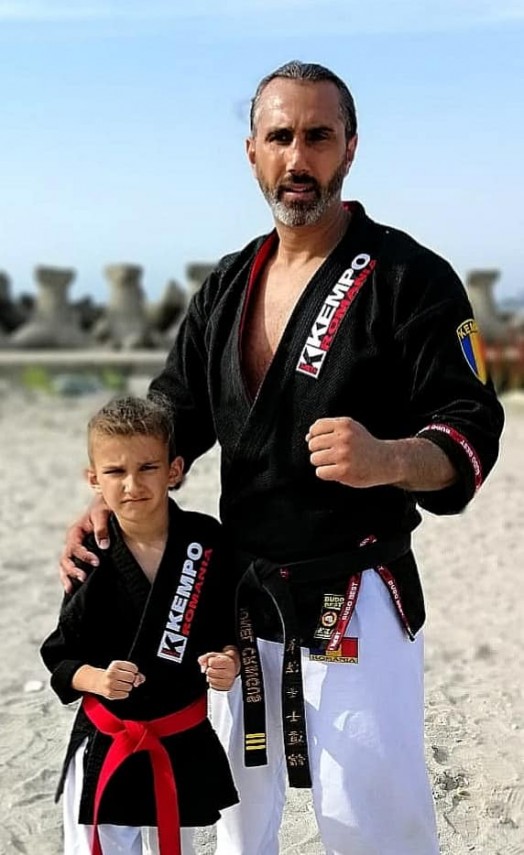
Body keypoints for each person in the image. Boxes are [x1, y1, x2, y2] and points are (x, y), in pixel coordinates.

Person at [60, 61, 505, 855]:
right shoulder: (228, 285)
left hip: (354, 596)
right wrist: (112, 504)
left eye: (318, 136)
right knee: (236, 826)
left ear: (350, 147)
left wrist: (390, 457)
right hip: (235, 600)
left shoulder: (410, 278)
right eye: (280, 136)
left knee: (374, 826)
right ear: (252, 151)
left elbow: (471, 425)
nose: (298, 158)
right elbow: (171, 419)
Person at [42, 396, 240, 855]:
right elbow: (60, 656)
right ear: (94, 480)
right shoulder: (91, 554)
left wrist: (228, 661)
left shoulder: (206, 541)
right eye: (115, 472)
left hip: (179, 741)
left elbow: (227, 629)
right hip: (108, 741)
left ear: (174, 470)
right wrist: (98, 679)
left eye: (148, 467)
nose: (132, 484)